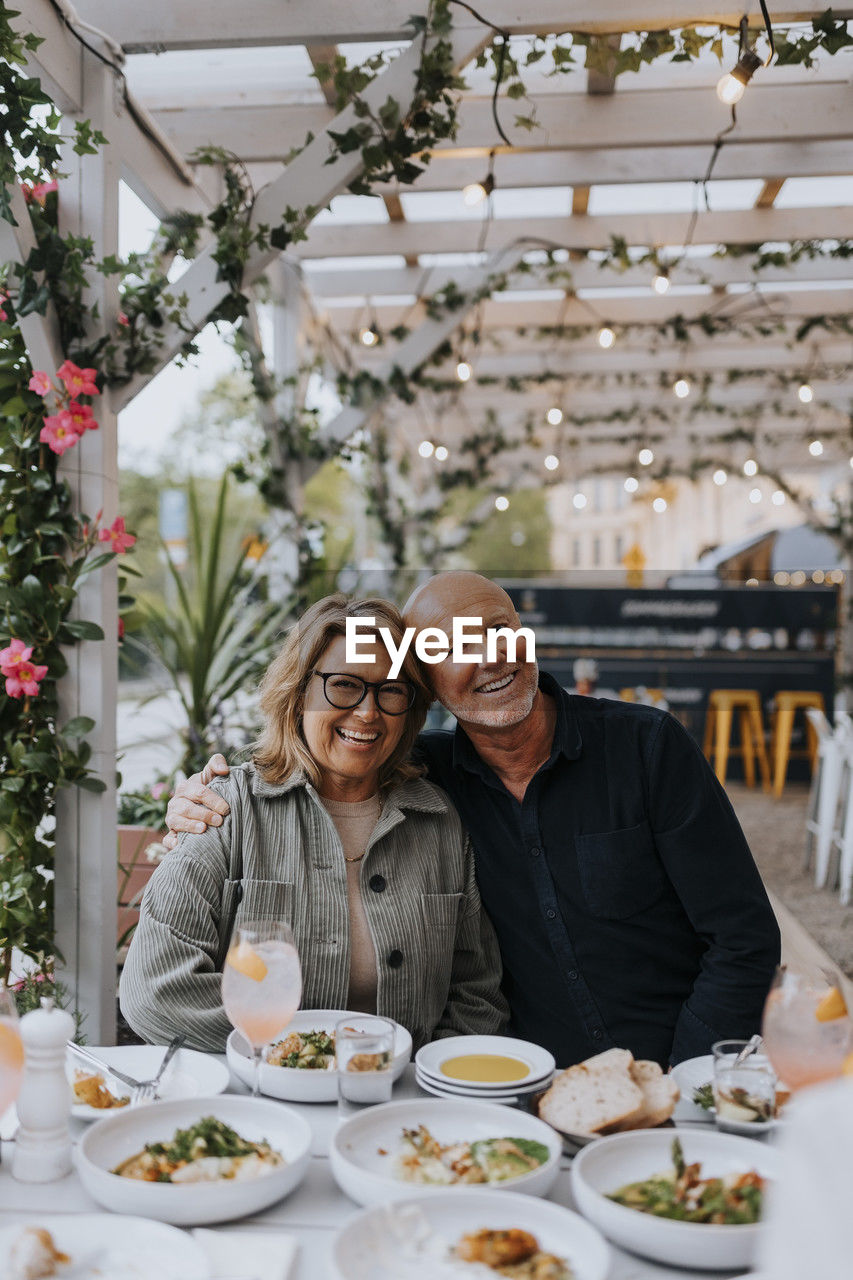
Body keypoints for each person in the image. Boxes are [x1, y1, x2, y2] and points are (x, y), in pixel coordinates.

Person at [165, 572, 780, 1067]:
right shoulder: (425, 781)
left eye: (499, 629)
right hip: (524, 1082)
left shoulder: (646, 748)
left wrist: (689, 1076)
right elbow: (321, 746)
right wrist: (202, 800)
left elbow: (742, 938)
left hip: (679, 1067)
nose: (489, 656)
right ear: (427, 684)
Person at [121, 593, 507, 1053]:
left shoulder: (439, 824)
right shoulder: (227, 808)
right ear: (299, 692)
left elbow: (477, 996)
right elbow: (154, 989)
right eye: (344, 684)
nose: (368, 711)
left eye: (390, 690)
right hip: (259, 1107)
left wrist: (418, 1086)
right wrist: (308, 1060)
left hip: (396, 1106)